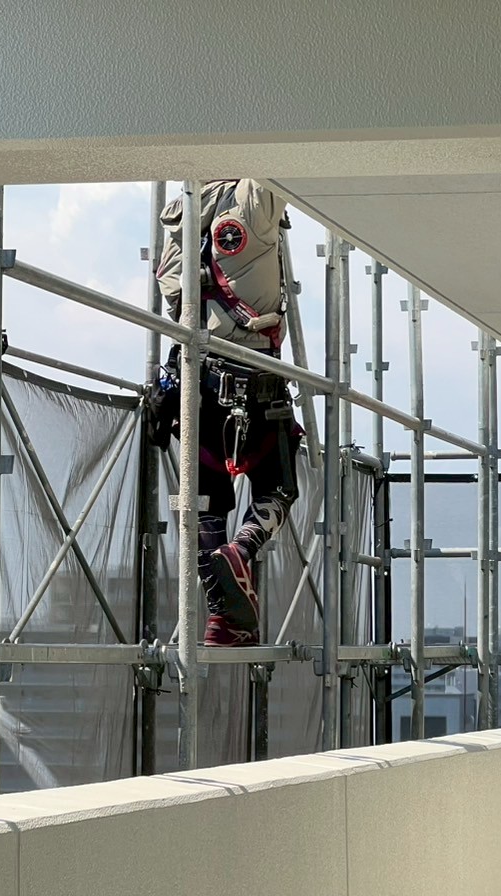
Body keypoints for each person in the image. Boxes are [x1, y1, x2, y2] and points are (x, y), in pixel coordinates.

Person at [149, 179, 303, 646]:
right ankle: (242, 550)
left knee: (204, 503)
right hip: (254, 379)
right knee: (278, 488)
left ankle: (224, 619)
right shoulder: (253, 202)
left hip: (197, 383)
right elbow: (280, 156)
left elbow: (174, 299)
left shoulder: (179, 215)